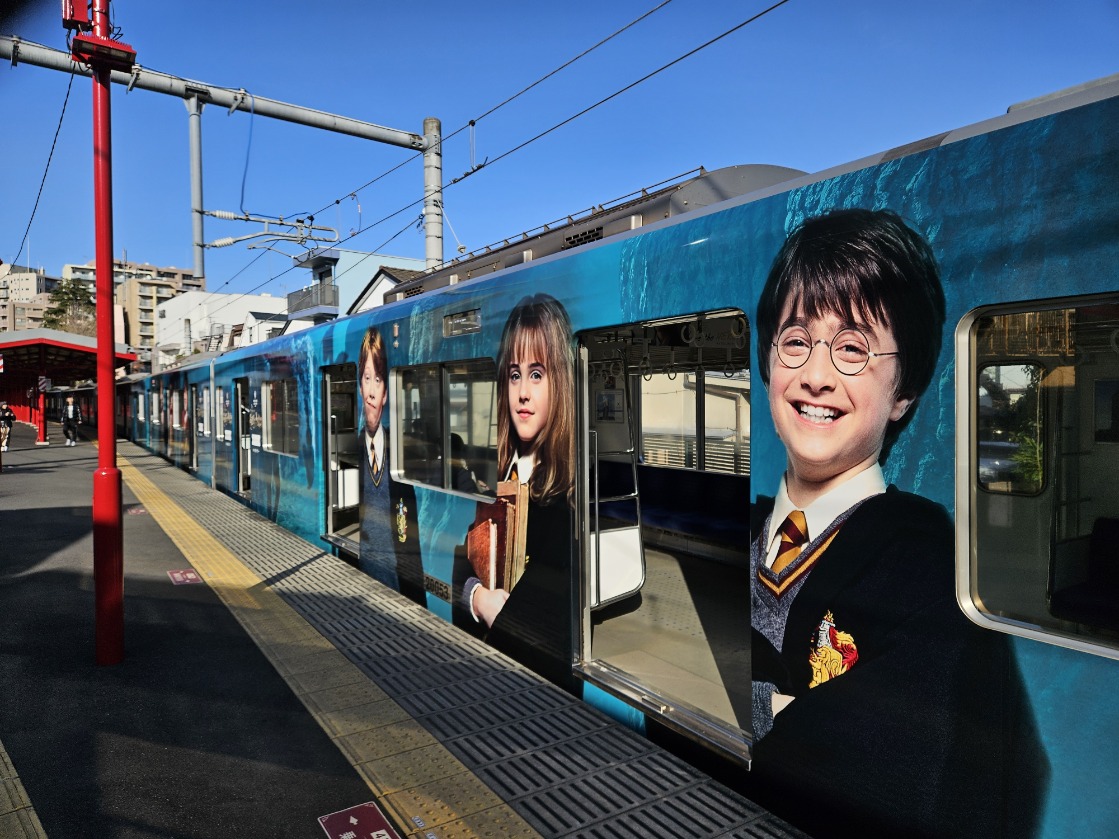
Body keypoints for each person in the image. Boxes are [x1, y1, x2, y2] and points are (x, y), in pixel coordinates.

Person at [746, 208, 1046, 837]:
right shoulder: (740, 532)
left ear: (904, 390)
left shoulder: (933, 562)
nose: (817, 375)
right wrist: (776, 706)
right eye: (795, 340)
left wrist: (753, 707)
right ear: (769, 364)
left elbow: (911, 768)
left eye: (853, 348)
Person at [454, 293, 577, 688]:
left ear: (561, 380)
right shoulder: (494, 475)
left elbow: (552, 614)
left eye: (537, 374)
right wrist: (477, 599)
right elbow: (461, 560)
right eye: (514, 374)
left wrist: (499, 615)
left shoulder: (573, 494)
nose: (523, 392)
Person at [357, 326, 423, 604]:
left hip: (398, 584)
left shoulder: (403, 448)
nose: (371, 391)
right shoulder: (354, 445)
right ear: (359, 385)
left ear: (386, 393)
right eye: (367, 378)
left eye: (379, 380)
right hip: (363, 578)